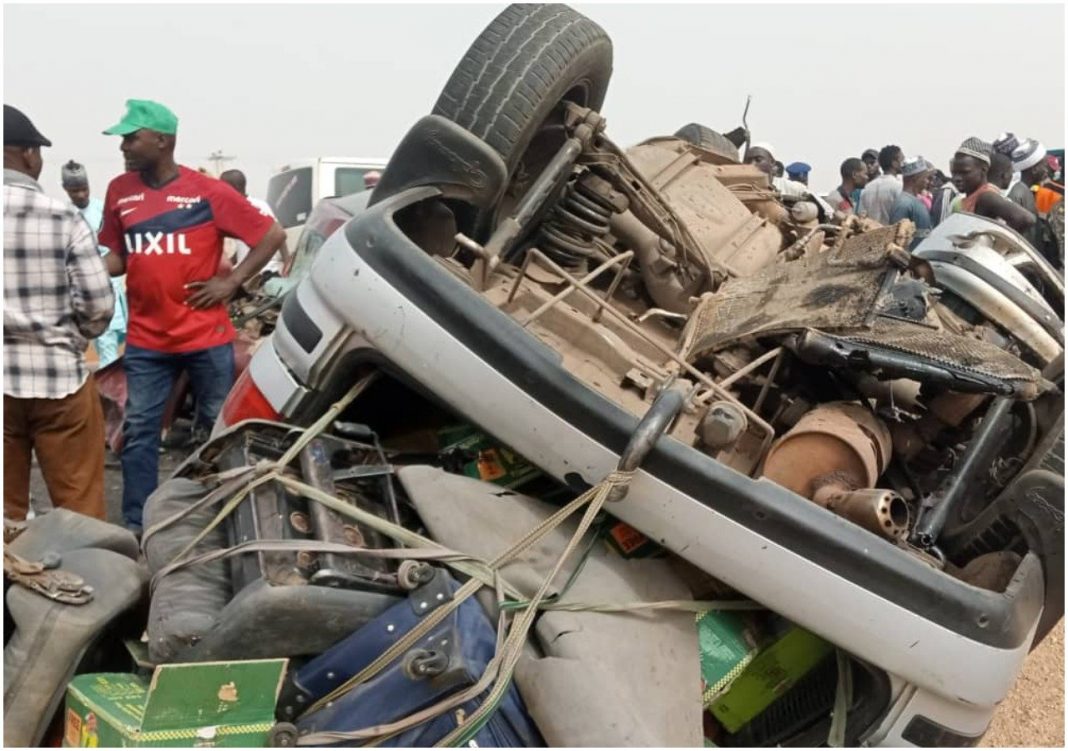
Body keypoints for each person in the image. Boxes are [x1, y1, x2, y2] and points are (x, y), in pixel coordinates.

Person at [97, 99, 286, 532]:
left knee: (215, 431)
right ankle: (139, 524)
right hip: (146, 341)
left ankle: (213, 521)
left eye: (132, 138)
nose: (123, 146)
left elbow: (271, 235)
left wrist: (231, 282)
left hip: (206, 338)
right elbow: (119, 259)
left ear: (162, 141)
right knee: (140, 431)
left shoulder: (207, 191)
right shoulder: (120, 190)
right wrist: (79, 264)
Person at [3, 105, 115, 521]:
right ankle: (82, 563)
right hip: (58, 382)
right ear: (28, 154)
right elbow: (99, 306)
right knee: (79, 511)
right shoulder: (63, 217)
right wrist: (73, 338)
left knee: (5, 514)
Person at [62, 160, 128, 368]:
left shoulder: (103, 209)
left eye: (84, 189)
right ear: (66, 190)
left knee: (118, 341)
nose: (81, 195)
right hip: (85, 291)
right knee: (103, 345)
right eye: (75, 191)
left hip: (113, 288)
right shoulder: (65, 217)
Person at [949, 136, 1035, 234]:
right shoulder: (971, 198)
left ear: (984, 170)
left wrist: (1002, 241)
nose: (957, 178)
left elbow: (1026, 219)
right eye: (954, 173)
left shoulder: (986, 197)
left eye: (965, 172)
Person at [219, 168, 290, 275]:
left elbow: (279, 235)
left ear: (231, 188)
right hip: (247, 274)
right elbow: (244, 248)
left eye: (222, 187)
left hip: (263, 273)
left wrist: (287, 262)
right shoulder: (235, 209)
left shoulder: (256, 206)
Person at [888, 156, 934, 250]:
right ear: (915, 179)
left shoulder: (914, 201)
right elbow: (898, 239)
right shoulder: (903, 204)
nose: (927, 181)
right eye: (925, 178)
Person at [857, 145, 904, 224]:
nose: (904, 163)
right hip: (893, 231)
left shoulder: (866, 189)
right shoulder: (899, 186)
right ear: (894, 163)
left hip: (872, 231)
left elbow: (861, 217)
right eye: (902, 160)